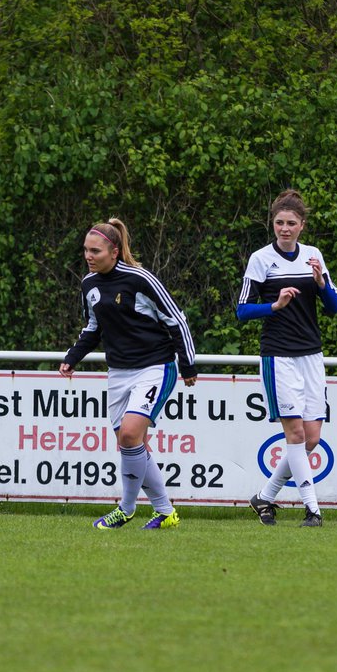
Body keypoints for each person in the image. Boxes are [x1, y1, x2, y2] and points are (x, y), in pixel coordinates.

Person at [60, 218, 198, 530]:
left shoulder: (139, 279)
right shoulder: (89, 285)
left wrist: (187, 364)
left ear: (115, 251)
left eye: (95, 251)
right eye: (85, 250)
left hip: (155, 366)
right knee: (131, 444)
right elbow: (93, 328)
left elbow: (177, 319)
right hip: (119, 373)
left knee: (131, 435)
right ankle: (165, 512)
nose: (88, 256)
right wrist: (73, 357)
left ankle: (126, 508)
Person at [237, 189, 337, 527]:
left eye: (291, 223)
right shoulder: (260, 259)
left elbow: (334, 307)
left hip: (311, 356)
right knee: (295, 435)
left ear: (302, 226)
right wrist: (274, 306)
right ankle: (314, 510)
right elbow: (241, 311)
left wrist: (320, 283)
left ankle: (264, 498)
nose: (284, 228)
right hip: (278, 357)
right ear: (273, 224)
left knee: (311, 439)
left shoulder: (313, 256)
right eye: (279, 222)